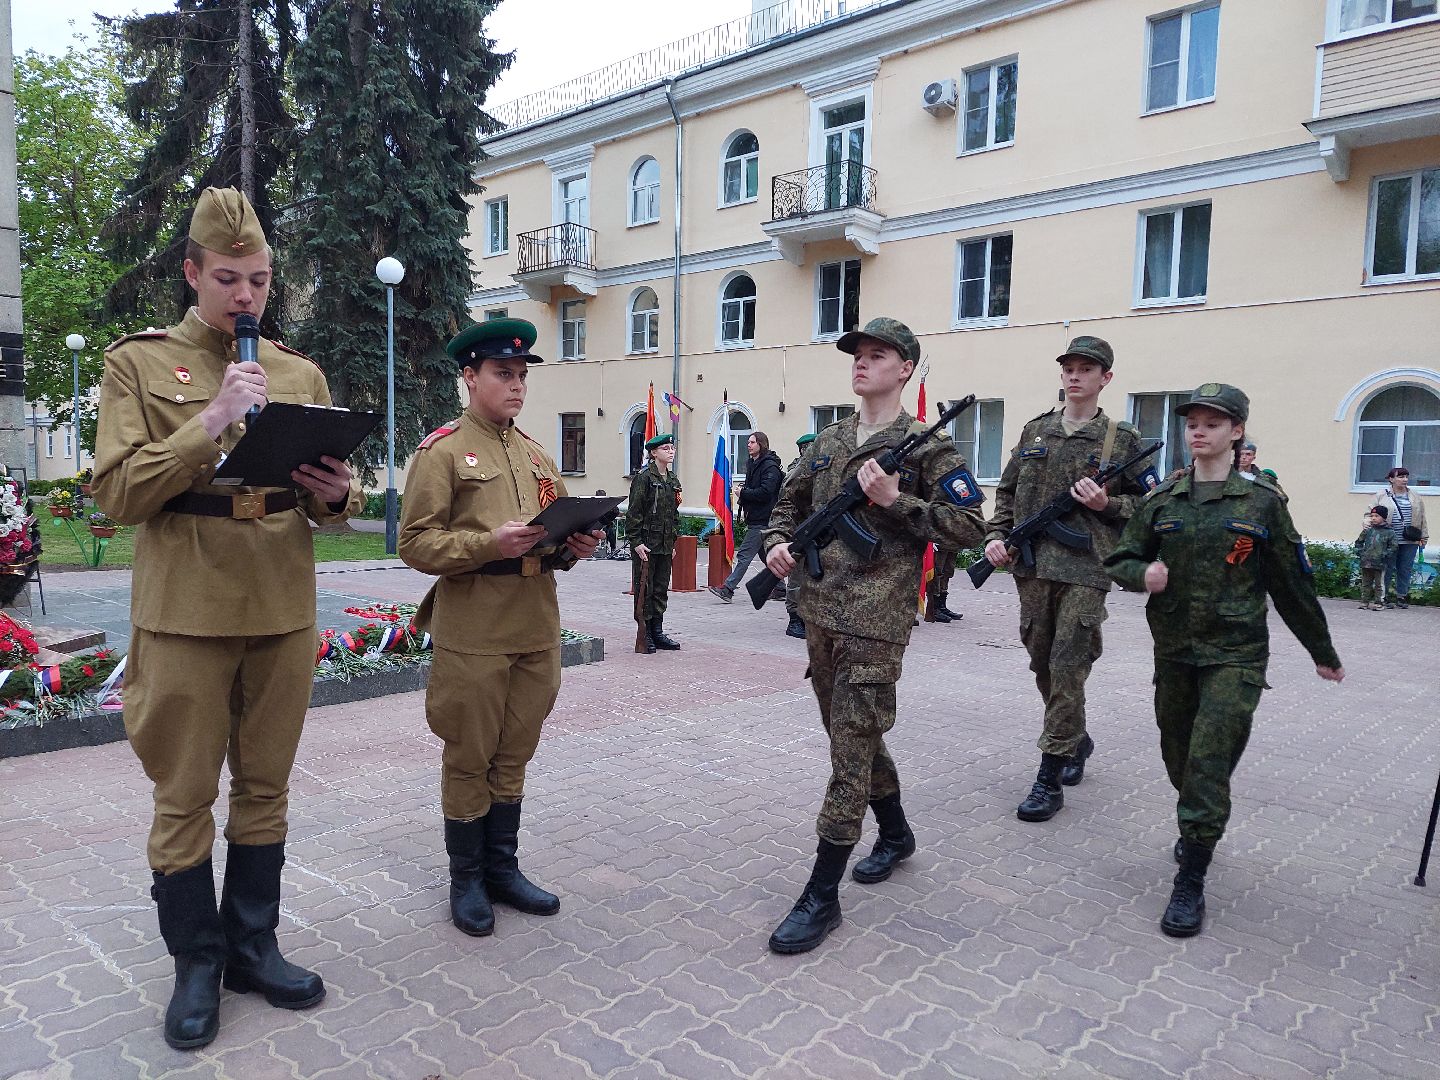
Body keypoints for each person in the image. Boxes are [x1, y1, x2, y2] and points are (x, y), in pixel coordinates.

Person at [92, 187, 363, 1050]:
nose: (245, 297)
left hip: (279, 606)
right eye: (228, 279)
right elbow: (117, 493)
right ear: (193, 273)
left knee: (267, 786)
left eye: (258, 280)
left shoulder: (298, 372)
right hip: (184, 611)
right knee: (183, 796)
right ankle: (196, 966)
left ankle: (252, 945)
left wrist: (338, 495)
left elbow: (322, 501)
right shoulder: (136, 365)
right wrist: (211, 421)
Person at [760, 317, 986, 954]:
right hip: (821, 616)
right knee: (850, 737)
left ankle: (821, 895)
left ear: (905, 368)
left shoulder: (926, 448)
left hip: (877, 624)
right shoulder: (830, 440)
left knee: (847, 755)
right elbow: (787, 504)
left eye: (877, 354)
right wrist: (778, 545)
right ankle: (896, 834)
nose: (861, 363)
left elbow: (970, 528)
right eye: (857, 353)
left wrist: (894, 501)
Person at [1104, 383, 1344, 937]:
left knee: (1209, 762)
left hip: (1235, 655)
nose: (1199, 431)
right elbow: (1120, 557)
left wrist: (1321, 652)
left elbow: (1292, 584)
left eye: (1213, 423)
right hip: (1175, 653)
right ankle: (1196, 816)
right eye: (1193, 423)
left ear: (1236, 432)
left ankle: (1191, 876)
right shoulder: (1162, 499)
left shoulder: (1261, 503)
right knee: (1179, 755)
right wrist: (1144, 575)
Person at [398, 318, 601, 939]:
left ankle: (503, 870)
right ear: (470, 377)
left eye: (521, 376)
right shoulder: (442, 452)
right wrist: (489, 543)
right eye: (502, 374)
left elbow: (552, 536)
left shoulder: (535, 453)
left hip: (535, 626)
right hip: (475, 630)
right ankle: (466, 880)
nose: (516, 386)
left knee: (514, 754)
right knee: (470, 756)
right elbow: (414, 543)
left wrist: (575, 545)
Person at [981, 336, 1157, 824]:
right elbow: (1008, 493)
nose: (1075, 376)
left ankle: (1048, 777)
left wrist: (1108, 505)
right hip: (1031, 567)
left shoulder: (1121, 440)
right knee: (1042, 663)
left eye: (1087, 369)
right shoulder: (1035, 431)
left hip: (1085, 570)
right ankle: (1075, 738)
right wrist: (996, 537)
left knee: (1067, 666)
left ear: (1106, 378)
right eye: (1069, 368)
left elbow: (1152, 505)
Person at [709, 431, 784, 602]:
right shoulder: (754, 463)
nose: (748, 445)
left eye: (752, 442)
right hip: (756, 516)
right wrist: (744, 491)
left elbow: (766, 492)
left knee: (744, 555)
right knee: (766, 556)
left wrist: (744, 492)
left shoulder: (769, 466)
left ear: (761, 444)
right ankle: (780, 588)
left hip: (763, 519)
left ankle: (728, 588)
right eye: (748, 442)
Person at [627, 432, 683, 652]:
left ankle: (658, 631)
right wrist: (636, 542)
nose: (670, 452)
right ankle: (645, 632)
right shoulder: (644, 478)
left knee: (660, 589)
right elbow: (634, 512)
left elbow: (674, 513)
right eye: (665, 449)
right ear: (653, 453)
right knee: (645, 589)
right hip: (646, 544)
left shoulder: (672, 479)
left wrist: (673, 541)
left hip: (665, 543)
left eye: (672, 448)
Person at [1374, 466, 1428, 609]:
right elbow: (1371, 514)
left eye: (1406, 477)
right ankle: (1382, 597)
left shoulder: (1415, 496)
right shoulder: (1382, 495)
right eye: (1400, 477)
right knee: (1387, 568)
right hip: (1388, 539)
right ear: (1391, 479)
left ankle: (1401, 596)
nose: (1404, 480)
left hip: (1410, 539)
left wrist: (1424, 537)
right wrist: (1370, 531)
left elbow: (1422, 518)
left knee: (1405, 568)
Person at [782, 433, 818, 638]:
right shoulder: (796, 469)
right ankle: (794, 619)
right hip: (799, 528)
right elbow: (787, 496)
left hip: (819, 528)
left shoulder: (823, 468)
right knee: (797, 574)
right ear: (804, 449)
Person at [1354, 506, 1397, 610]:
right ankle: (1365, 602)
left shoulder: (1389, 532)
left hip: (1380, 563)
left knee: (1379, 584)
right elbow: (1358, 542)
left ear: (1383, 518)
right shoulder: (1367, 531)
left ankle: (1379, 603)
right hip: (1366, 562)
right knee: (1366, 583)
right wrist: (1360, 553)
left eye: (1376, 516)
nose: (1373, 518)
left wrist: (1385, 555)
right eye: (1372, 516)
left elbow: (1394, 546)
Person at [927, 546, 963, 623]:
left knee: (948, 571)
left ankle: (942, 607)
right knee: (936, 573)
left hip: (953, 542)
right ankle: (934, 609)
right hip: (940, 541)